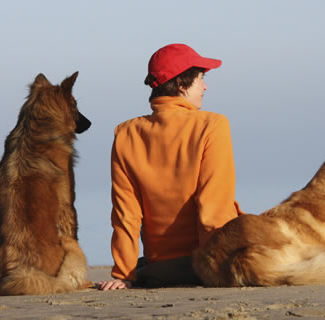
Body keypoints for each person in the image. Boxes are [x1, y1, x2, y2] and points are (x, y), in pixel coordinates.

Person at [97, 43, 244, 290]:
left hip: (161, 270)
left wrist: (124, 274)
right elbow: (213, 208)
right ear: (181, 84)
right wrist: (216, 269)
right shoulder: (212, 125)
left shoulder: (126, 134)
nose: (205, 86)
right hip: (207, 263)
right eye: (201, 78)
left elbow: (126, 213)